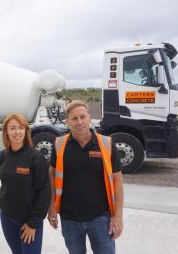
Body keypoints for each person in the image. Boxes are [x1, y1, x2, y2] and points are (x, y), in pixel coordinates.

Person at [47, 100, 124, 254]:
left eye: (83, 117)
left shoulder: (107, 144)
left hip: (101, 218)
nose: (79, 122)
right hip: (69, 219)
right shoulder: (59, 144)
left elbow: (117, 181)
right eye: (74, 118)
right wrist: (51, 208)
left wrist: (118, 217)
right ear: (67, 121)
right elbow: (52, 177)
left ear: (89, 117)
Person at [0, 112, 51, 254]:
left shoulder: (36, 158)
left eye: (21, 128)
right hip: (7, 218)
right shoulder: (2, 156)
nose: (17, 132)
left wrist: (32, 224)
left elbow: (44, 192)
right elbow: (5, 183)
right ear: (6, 132)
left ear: (26, 131)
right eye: (13, 128)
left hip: (29, 222)